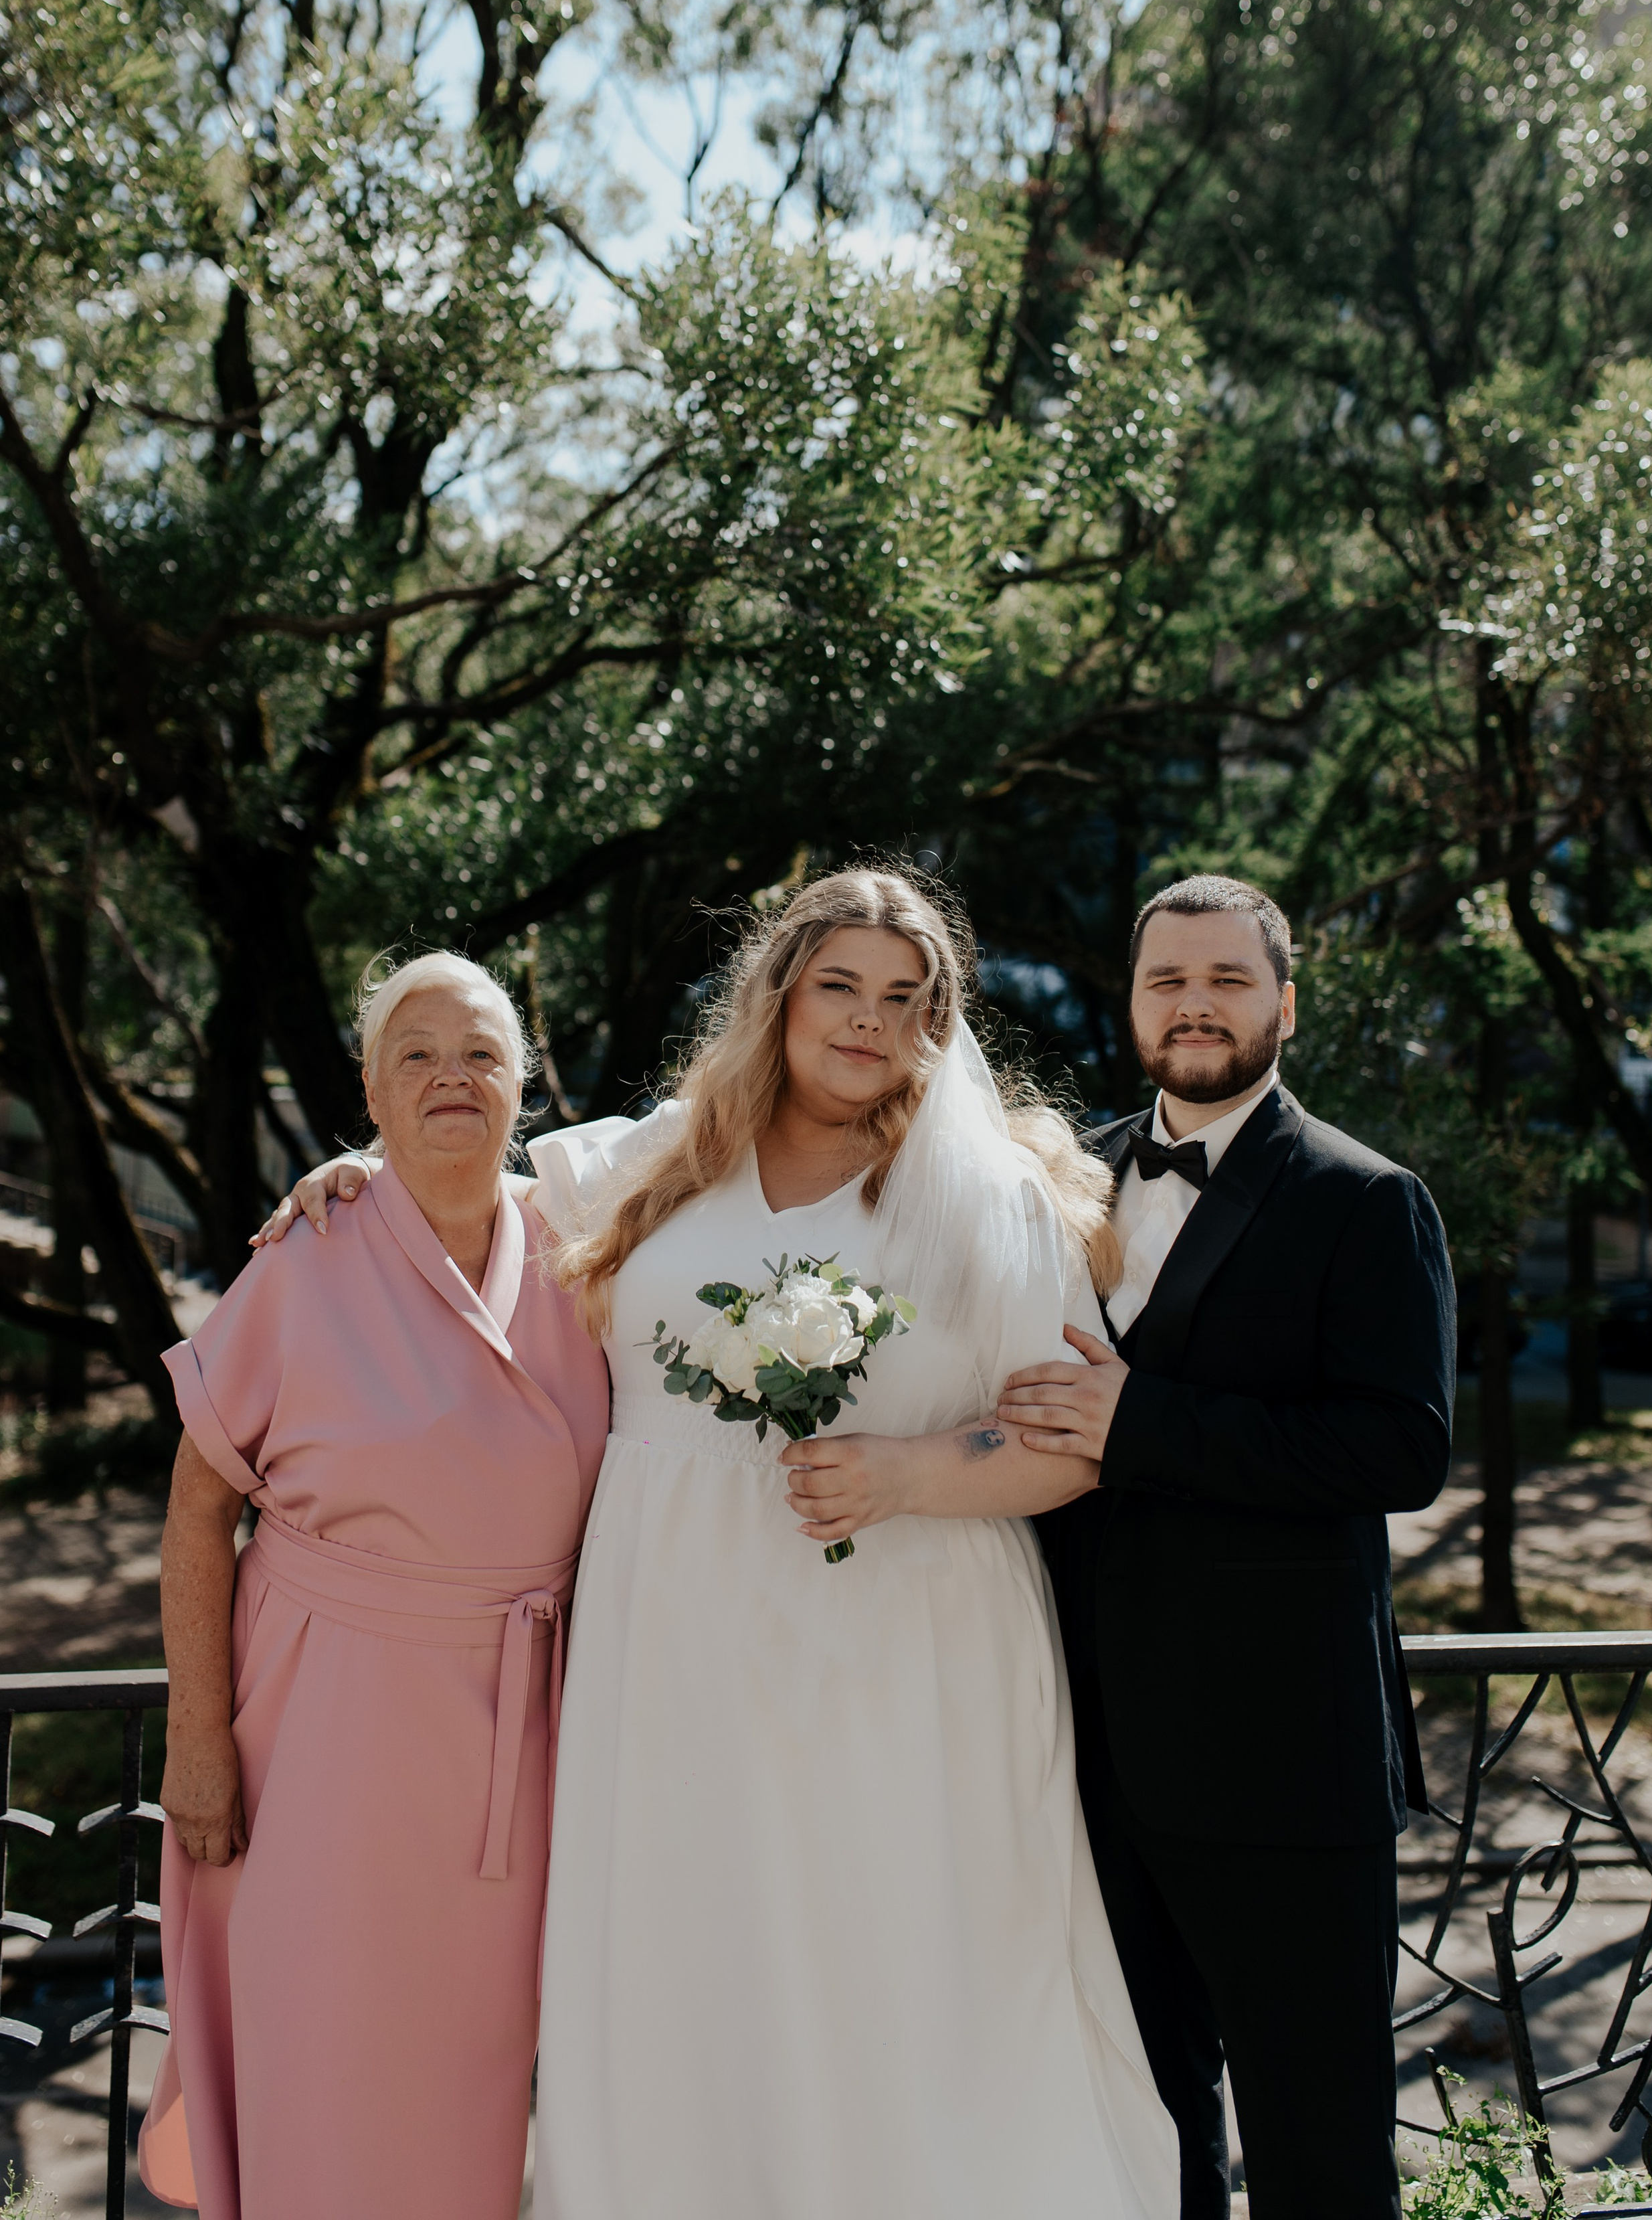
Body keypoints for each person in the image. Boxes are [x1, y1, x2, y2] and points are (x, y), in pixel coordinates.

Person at [270, 870, 1179, 2219]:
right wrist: (365, 1165)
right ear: (778, 992)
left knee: (884, 1979)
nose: (867, 1022)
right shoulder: (654, 1161)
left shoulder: (983, 1202)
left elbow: (1071, 1439)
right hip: (668, 1659)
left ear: (935, 1026)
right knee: (685, 1975)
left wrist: (909, 1470)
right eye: (840, 987)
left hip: (902, 1658)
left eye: (903, 999)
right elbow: (474, 1209)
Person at [998, 874, 1455, 2220]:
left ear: (1282, 1004)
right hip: (1089, 1752)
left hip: (1283, 1766)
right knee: (1143, 2140)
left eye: (1225, 979)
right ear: (1130, 1003)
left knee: (1316, 2147)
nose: (1193, 1005)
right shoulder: (1058, 1179)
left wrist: (1148, 1420)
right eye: (1166, 981)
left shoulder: (1367, 1200)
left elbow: (1396, 1450)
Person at [138, 954, 610, 2220]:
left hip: (520, 1742)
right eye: (417, 1052)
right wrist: (196, 1737)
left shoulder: (592, 1256)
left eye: (483, 1053)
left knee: (476, 2076)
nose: (452, 1075)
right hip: (322, 1731)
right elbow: (197, 1504)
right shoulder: (306, 1256)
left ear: (525, 1083)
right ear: (369, 1086)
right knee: (325, 2060)